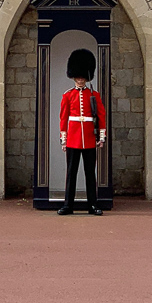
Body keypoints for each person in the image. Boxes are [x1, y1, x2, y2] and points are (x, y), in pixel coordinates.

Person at [58, 48, 106, 216]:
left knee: (89, 174)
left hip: (89, 138)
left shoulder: (94, 95)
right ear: (74, 77)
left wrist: (101, 137)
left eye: (82, 77)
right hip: (73, 138)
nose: (80, 80)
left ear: (86, 77)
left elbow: (101, 116)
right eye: (77, 77)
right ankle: (67, 205)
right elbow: (63, 118)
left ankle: (92, 205)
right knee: (71, 173)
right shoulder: (67, 95)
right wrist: (63, 140)